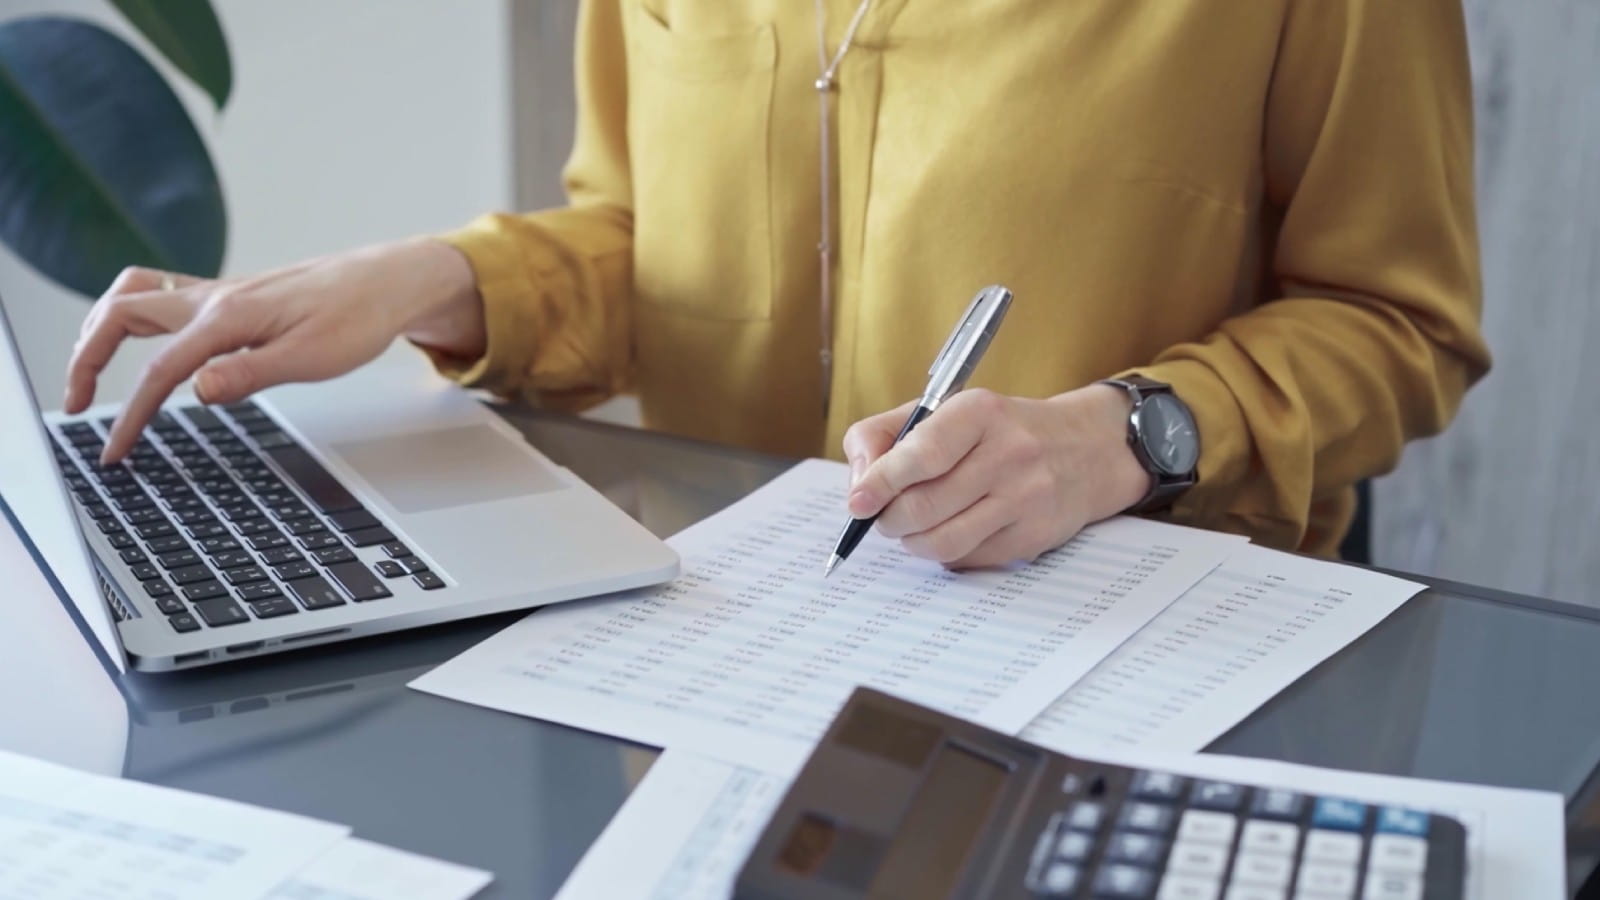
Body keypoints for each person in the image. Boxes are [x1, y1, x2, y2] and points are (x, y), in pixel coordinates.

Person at [64, 0, 1489, 568]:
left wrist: (1126, 435)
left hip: (1135, 647)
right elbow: (662, 239)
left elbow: (1401, 321)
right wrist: (427, 280)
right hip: (727, 637)